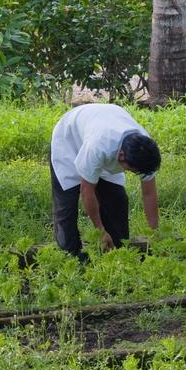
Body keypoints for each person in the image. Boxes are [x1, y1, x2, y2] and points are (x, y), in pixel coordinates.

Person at [50, 103, 160, 257]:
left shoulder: (145, 150)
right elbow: (87, 191)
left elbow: (149, 194)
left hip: (102, 128)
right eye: (132, 170)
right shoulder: (99, 146)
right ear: (122, 156)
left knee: (117, 199)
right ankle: (70, 257)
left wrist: (155, 234)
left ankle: (118, 252)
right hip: (70, 139)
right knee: (67, 204)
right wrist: (100, 231)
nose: (132, 173)